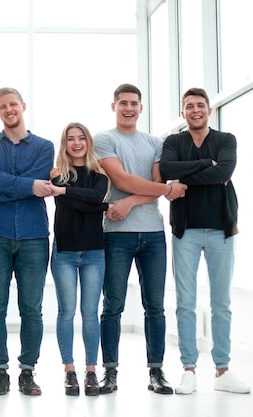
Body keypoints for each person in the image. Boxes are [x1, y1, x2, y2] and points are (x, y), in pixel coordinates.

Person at [94, 83, 187, 395]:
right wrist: (164, 190)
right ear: (114, 106)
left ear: (141, 108)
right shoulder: (104, 139)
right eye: (123, 103)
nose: (128, 108)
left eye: (134, 103)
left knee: (155, 306)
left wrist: (130, 202)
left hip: (152, 235)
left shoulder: (155, 142)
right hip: (115, 235)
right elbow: (122, 179)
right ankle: (110, 372)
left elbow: (155, 182)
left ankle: (156, 371)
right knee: (113, 306)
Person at [160, 87, 250, 395]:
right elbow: (166, 171)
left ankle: (222, 370)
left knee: (221, 303)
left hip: (220, 230)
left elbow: (225, 170)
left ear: (208, 110)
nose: (195, 110)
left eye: (200, 105)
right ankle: (189, 370)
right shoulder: (174, 141)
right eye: (189, 106)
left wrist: (188, 177)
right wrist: (208, 167)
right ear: (183, 112)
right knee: (185, 302)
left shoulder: (226, 140)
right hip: (185, 230)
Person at [0, 87, 54, 396]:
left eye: (13, 104)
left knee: (31, 308)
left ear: (23, 106)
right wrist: (27, 186)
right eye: (2, 106)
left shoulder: (44, 146)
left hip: (34, 236)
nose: (9, 110)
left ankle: (27, 371)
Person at [47, 122, 109, 396]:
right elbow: (81, 203)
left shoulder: (99, 173)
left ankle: (91, 372)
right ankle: (69, 371)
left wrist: (68, 192)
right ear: (65, 144)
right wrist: (101, 205)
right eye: (70, 139)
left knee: (90, 314)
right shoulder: (57, 173)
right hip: (65, 253)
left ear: (88, 142)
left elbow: (95, 197)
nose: (76, 143)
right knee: (67, 312)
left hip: (94, 251)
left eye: (81, 138)